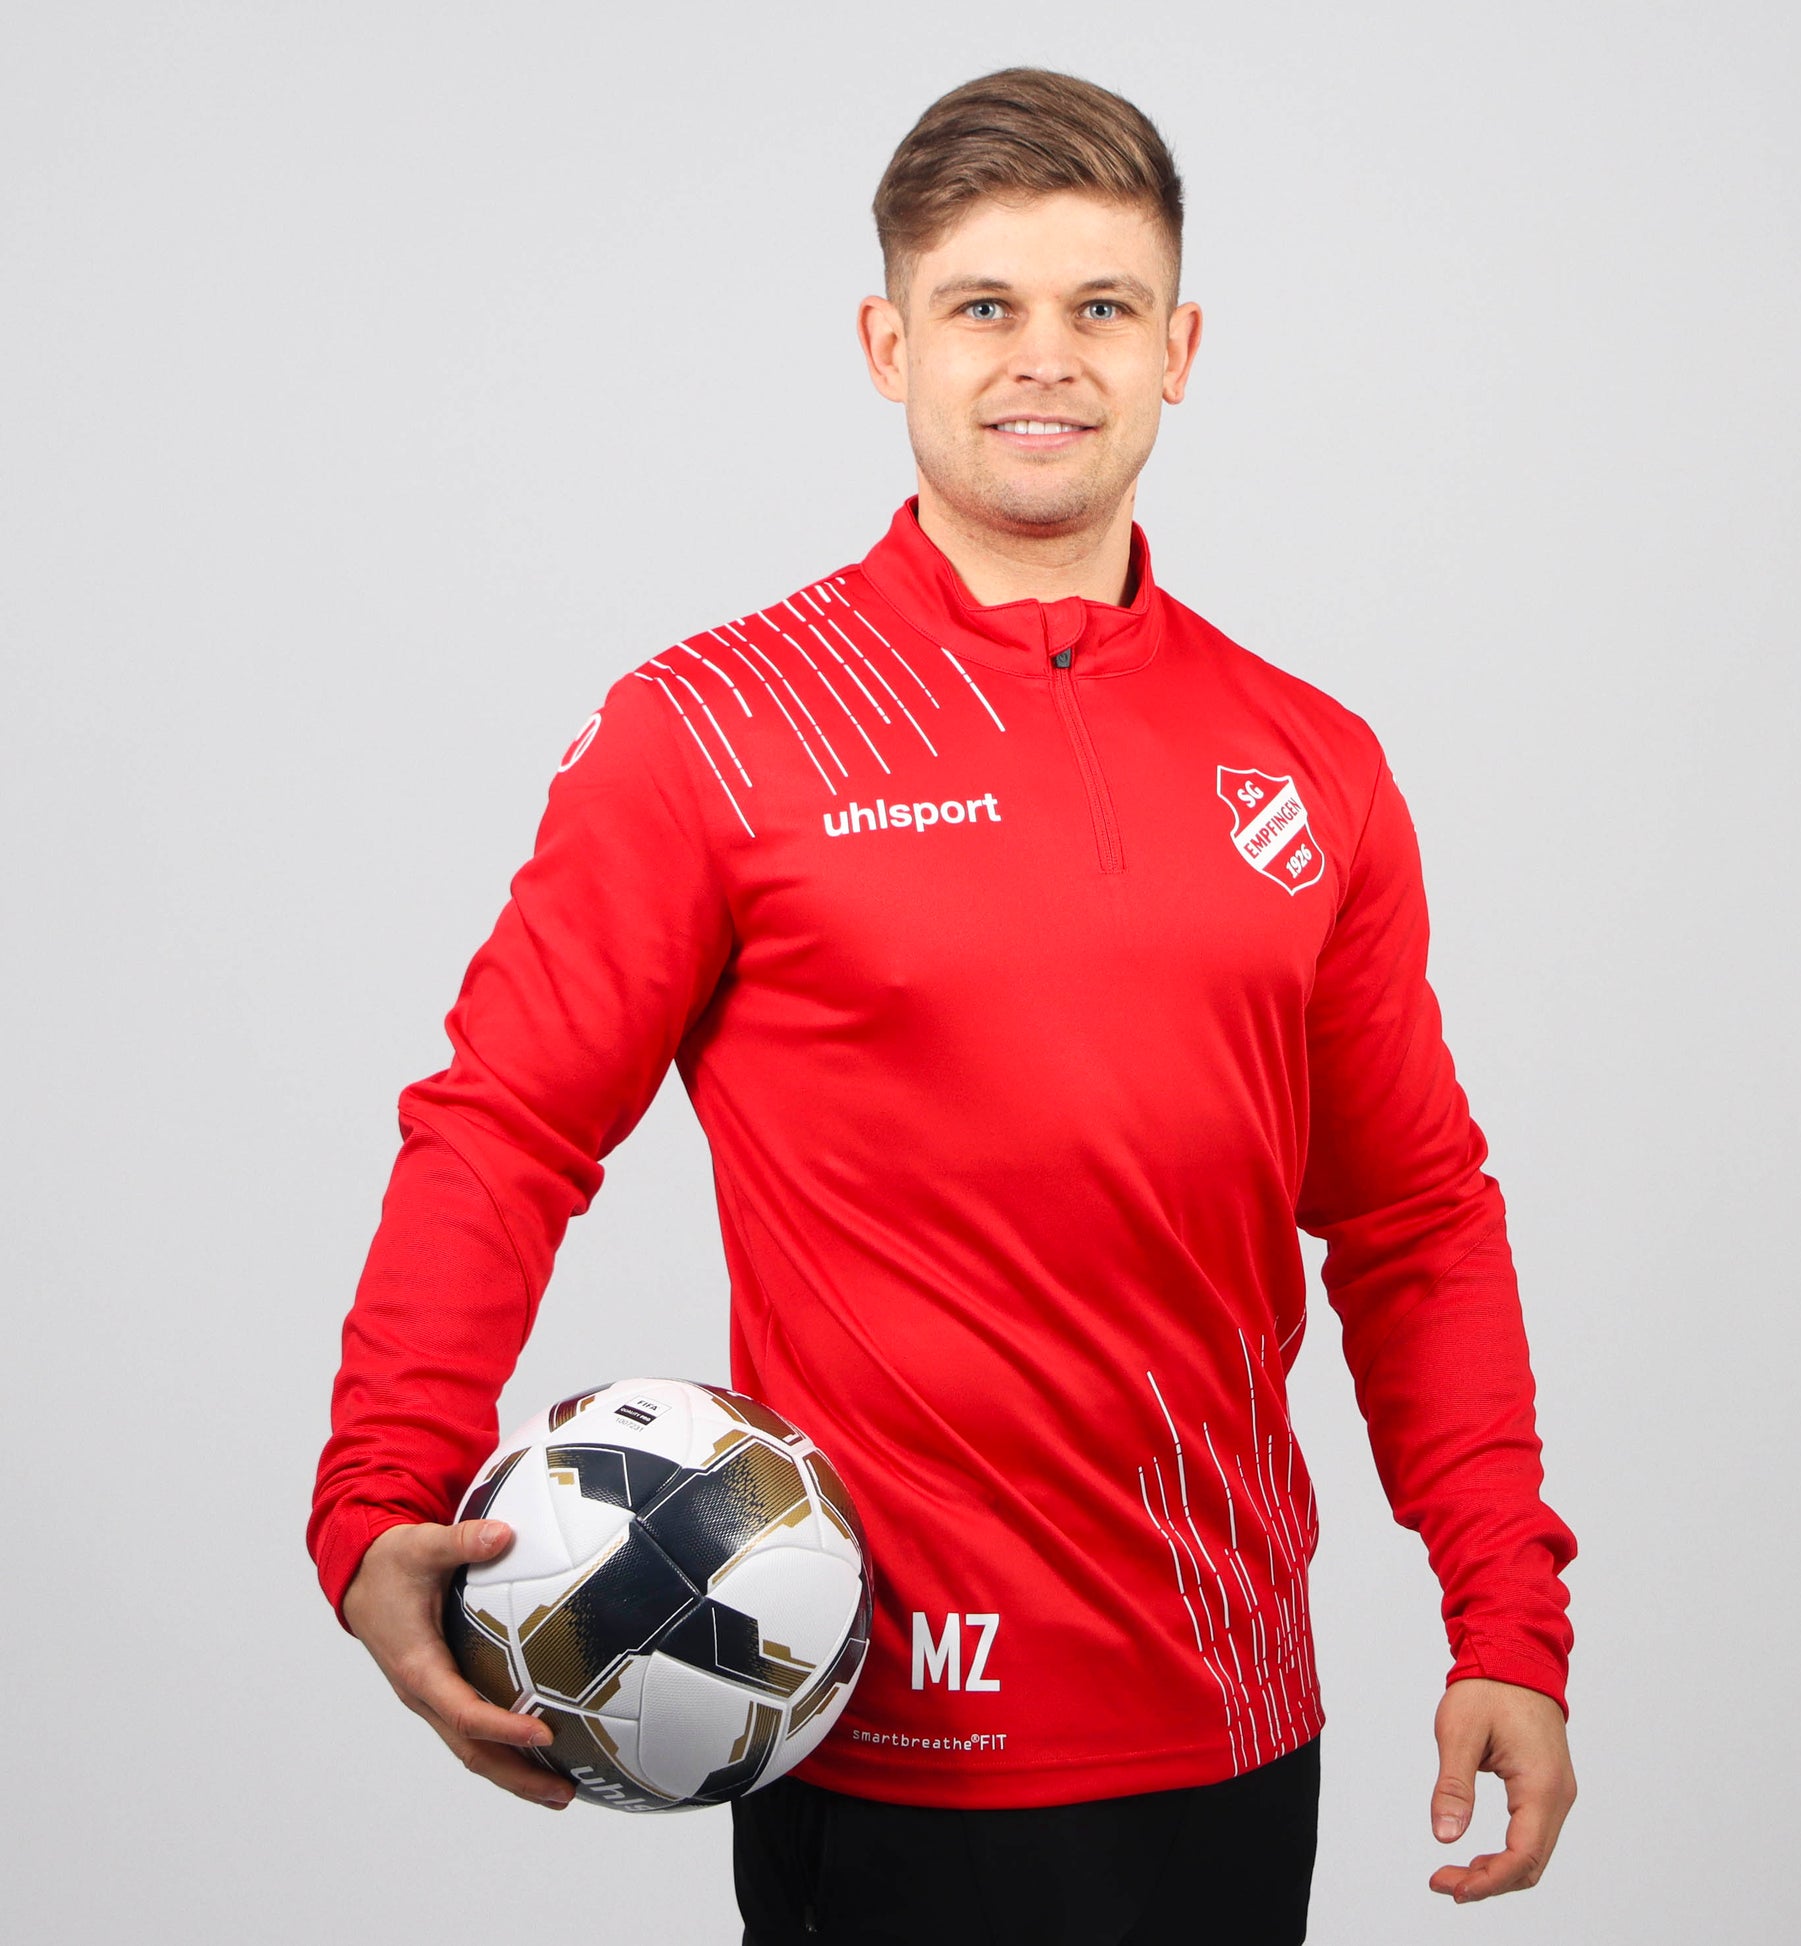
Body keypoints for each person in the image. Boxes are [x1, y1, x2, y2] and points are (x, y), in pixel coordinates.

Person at [311, 68, 1577, 1943]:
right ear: (888, 343)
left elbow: (1411, 1218)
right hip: (887, 1738)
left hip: (1234, 1720)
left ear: (1177, 350)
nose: (1042, 357)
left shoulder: (1311, 760)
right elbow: (503, 1128)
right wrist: (375, 1502)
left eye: (1101, 306)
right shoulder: (717, 731)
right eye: (984, 305)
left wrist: (1506, 1618)